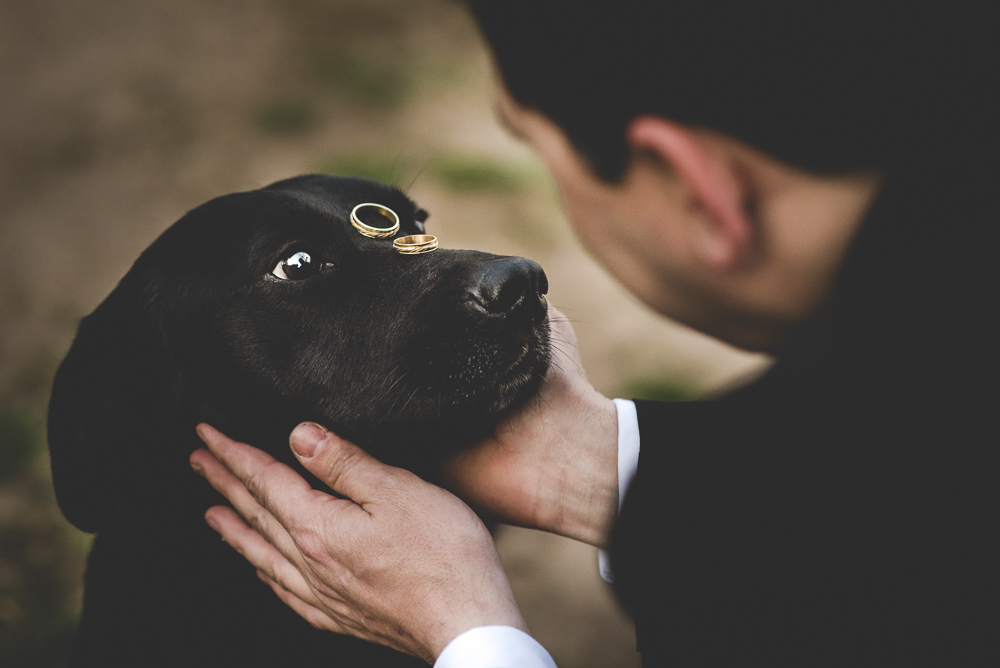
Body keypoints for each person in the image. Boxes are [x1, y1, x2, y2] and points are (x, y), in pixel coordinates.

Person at [188, 2, 998, 666]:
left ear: (698, 191)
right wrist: (598, 465)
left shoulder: (771, 609)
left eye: (538, 150)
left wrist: (470, 633)